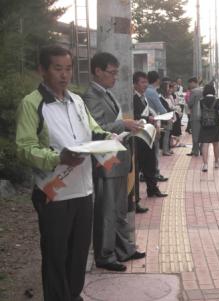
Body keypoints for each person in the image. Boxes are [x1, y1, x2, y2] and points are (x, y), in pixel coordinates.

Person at [15, 45, 110, 301]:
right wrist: (58, 158)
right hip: (53, 192)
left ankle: (74, 295)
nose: (64, 75)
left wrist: (109, 139)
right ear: (42, 70)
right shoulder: (32, 104)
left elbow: (93, 130)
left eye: (68, 68)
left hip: (83, 189)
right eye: (58, 69)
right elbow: (24, 148)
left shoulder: (77, 101)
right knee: (56, 256)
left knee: (79, 254)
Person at [83, 52, 146, 272]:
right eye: (111, 72)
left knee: (119, 209)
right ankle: (105, 254)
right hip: (105, 161)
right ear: (98, 71)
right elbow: (97, 129)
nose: (115, 77)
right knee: (106, 211)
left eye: (116, 72)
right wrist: (124, 125)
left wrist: (128, 125)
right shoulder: (91, 96)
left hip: (116, 159)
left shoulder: (106, 94)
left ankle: (123, 248)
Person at [133, 71, 168, 198]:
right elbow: (135, 117)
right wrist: (148, 118)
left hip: (148, 136)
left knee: (151, 164)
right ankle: (135, 199)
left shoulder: (144, 98)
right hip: (138, 138)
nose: (145, 85)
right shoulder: (133, 99)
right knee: (137, 168)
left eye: (146, 82)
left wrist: (155, 122)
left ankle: (152, 189)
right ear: (135, 84)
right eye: (142, 82)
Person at [145, 71, 168, 182]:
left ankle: (144, 173)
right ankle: (155, 172)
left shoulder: (144, 91)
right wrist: (168, 115)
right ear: (157, 80)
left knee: (147, 150)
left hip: (144, 123)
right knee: (154, 150)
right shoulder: (152, 92)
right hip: (153, 122)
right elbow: (160, 108)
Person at [199, 84, 219, 172]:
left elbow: (199, 114)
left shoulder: (201, 101)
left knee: (205, 144)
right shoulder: (218, 101)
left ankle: (205, 164)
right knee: (216, 144)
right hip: (216, 125)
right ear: (213, 91)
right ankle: (217, 162)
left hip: (205, 125)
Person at [187, 77, 203, 156]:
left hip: (195, 115)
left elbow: (190, 103)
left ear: (193, 82)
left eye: (190, 83)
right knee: (202, 134)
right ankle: (203, 150)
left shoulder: (194, 91)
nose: (189, 85)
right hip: (203, 116)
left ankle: (195, 151)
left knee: (195, 134)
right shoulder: (202, 90)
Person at [159, 79, 174, 156]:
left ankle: (167, 149)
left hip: (169, 118)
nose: (169, 89)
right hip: (165, 119)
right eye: (168, 87)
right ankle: (165, 150)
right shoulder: (161, 98)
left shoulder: (167, 97)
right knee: (166, 135)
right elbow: (164, 109)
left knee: (168, 134)